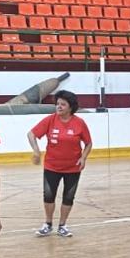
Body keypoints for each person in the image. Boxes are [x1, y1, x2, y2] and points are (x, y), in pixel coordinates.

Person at [27, 90, 92, 238]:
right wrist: (36, 151)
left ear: (71, 107)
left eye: (63, 104)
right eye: (57, 104)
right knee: (48, 196)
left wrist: (83, 157)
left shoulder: (79, 123)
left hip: (73, 168)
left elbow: (88, 143)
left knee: (68, 197)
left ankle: (62, 225)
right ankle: (48, 224)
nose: (59, 107)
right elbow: (31, 134)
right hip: (52, 166)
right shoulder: (50, 120)